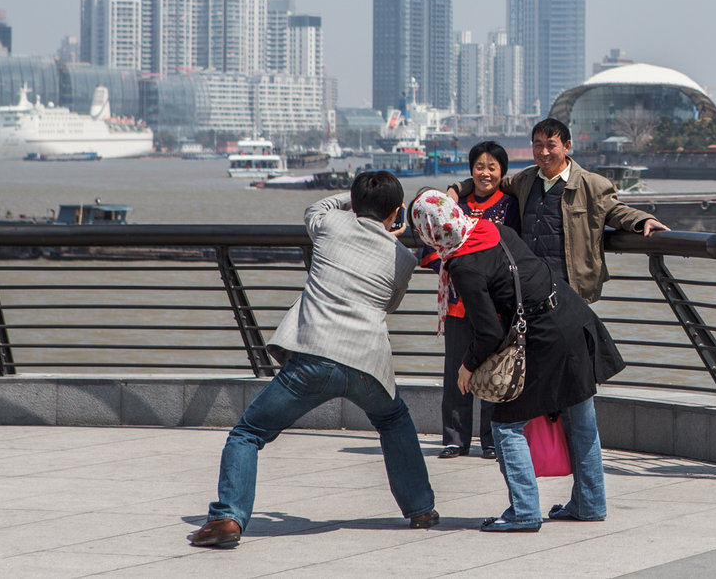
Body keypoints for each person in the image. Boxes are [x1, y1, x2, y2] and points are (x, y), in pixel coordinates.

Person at [191, 171, 439, 548]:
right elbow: (388, 304)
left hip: (313, 356)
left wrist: (352, 202)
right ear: (397, 211)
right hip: (367, 364)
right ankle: (420, 509)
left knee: (248, 433)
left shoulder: (332, 224)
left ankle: (228, 517)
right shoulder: (403, 257)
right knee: (393, 420)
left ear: (354, 204)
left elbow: (315, 206)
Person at [410, 190, 625, 531]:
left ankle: (524, 511)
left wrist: (466, 366)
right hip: (572, 317)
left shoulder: (464, 264)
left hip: (543, 336)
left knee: (506, 425)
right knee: (581, 421)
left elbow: (489, 332)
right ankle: (589, 504)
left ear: (428, 231)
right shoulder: (493, 230)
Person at [449, 117, 669, 304]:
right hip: (530, 284)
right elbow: (489, 181)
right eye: (538, 145)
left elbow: (616, 210)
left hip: (569, 285)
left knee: (569, 348)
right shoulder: (525, 180)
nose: (544, 152)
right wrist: (456, 190)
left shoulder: (590, 184)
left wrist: (643, 220)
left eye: (551, 145)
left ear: (566, 146)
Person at [419, 141, 519, 460]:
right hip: (458, 301)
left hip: (496, 304)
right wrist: (448, 266)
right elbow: (431, 243)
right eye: (479, 166)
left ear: (502, 172)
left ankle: (491, 439)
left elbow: (515, 249)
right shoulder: (454, 203)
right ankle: (454, 438)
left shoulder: (511, 204)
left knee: (494, 367)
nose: (485, 172)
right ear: (470, 170)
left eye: (492, 167)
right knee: (455, 371)